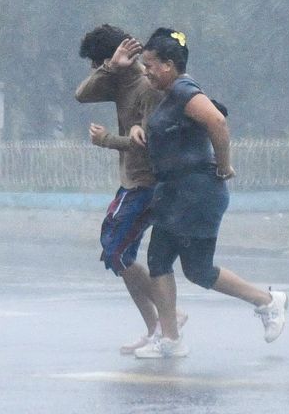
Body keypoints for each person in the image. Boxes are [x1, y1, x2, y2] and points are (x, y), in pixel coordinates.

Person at [129, 28, 288, 358]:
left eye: (150, 65)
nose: (146, 71)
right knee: (161, 260)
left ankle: (268, 302)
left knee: (197, 269)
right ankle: (171, 340)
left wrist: (224, 166)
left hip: (197, 194)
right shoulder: (169, 95)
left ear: (170, 65)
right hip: (177, 194)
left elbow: (217, 121)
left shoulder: (185, 91)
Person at [75, 24, 187, 354]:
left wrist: (107, 140)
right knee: (117, 255)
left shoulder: (146, 87)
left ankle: (168, 316)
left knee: (117, 252)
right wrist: (111, 67)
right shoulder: (119, 81)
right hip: (131, 182)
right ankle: (156, 326)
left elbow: (149, 144)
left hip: (146, 183)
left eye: (97, 63)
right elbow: (81, 95)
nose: (95, 70)